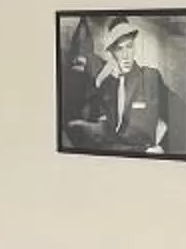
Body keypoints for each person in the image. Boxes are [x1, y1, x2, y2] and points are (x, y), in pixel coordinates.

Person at [62, 16, 174, 152]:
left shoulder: (150, 77)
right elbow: (105, 129)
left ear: (134, 47)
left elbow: (180, 116)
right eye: (119, 49)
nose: (126, 55)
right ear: (112, 53)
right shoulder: (107, 85)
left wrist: (163, 148)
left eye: (129, 46)